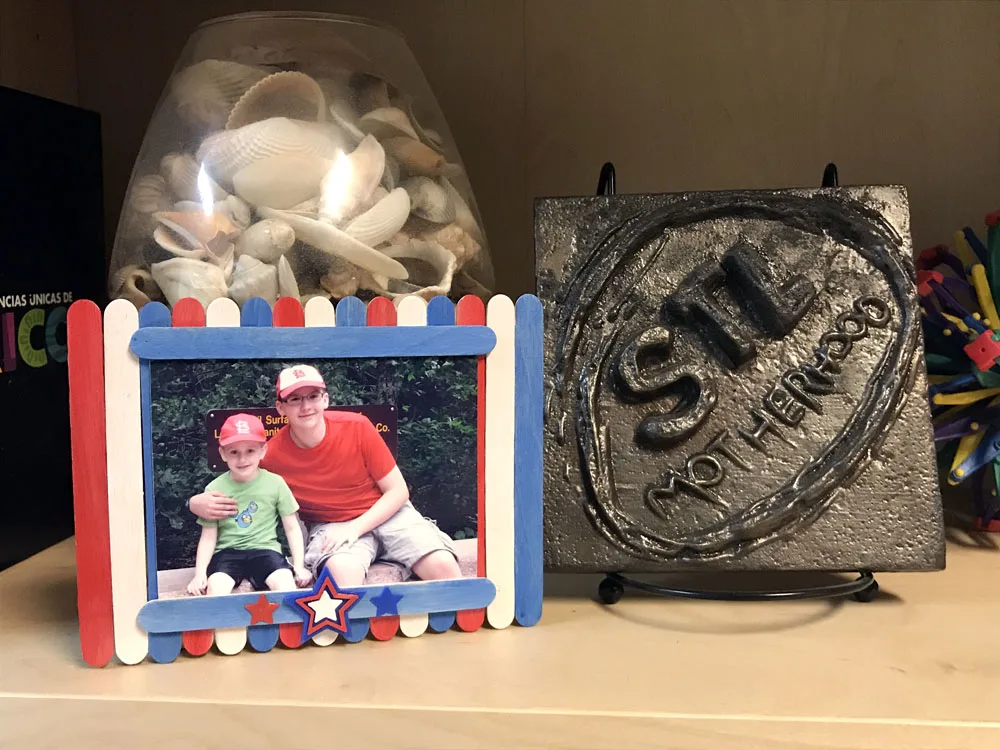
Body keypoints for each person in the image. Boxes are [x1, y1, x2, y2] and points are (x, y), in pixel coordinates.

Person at [188, 365, 461, 587]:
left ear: (325, 399)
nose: (305, 406)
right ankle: (395, 565)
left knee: (445, 569)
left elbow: (398, 491)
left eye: (313, 396)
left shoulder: (358, 427)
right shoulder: (269, 454)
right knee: (341, 579)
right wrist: (195, 503)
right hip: (331, 524)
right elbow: (238, 479)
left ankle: (396, 562)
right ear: (281, 407)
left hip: (387, 513)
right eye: (295, 399)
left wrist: (356, 528)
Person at [187, 413, 312, 596]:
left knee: (285, 583)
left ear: (263, 450)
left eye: (250, 451)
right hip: (227, 554)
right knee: (217, 587)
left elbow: (292, 528)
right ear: (222, 454)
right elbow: (208, 537)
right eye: (234, 452)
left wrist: (299, 566)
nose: (242, 459)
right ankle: (225, 626)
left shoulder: (275, 483)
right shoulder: (214, 489)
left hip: (266, 551)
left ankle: (283, 626)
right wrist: (199, 575)